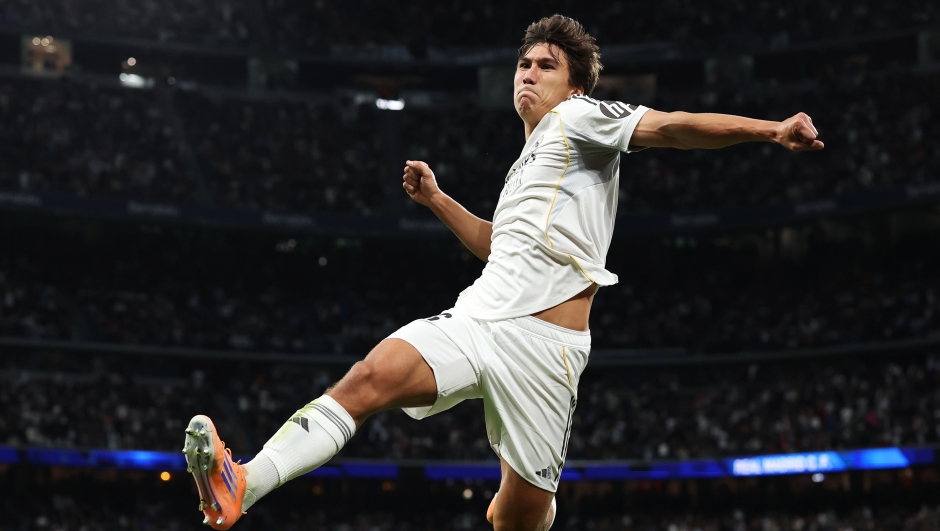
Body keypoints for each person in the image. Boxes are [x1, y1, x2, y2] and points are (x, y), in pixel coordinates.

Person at [182, 14, 824, 531]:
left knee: (516, 517)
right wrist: (437, 200)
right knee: (370, 377)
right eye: (524, 63)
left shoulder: (580, 119)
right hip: (479, 319)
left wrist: (771, 130)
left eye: (547, 65)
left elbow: (673, 128)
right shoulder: (527, 162)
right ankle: (244, 483)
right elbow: (497, 245)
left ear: (574, 86)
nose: (530, 73)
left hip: (546, 350)